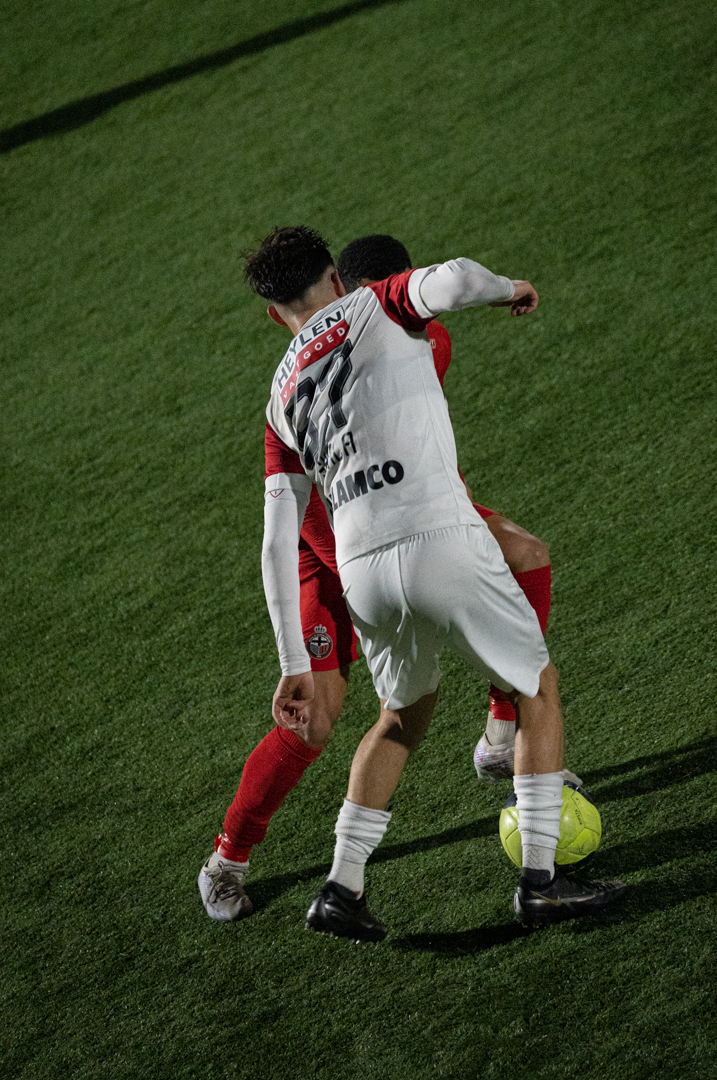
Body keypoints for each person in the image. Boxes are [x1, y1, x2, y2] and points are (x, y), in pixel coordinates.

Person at [251, 225, 625, 939]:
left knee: (400, 719)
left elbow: (275, 541)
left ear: (275, 314)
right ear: (337, 277)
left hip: (363, 573)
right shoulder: (376, 302)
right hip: (438, 540)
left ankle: (341, 888)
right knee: (536, 687)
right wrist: (510, 288)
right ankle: (541, 882)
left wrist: (293, 662)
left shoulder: (279, 396)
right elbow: (451, 277)